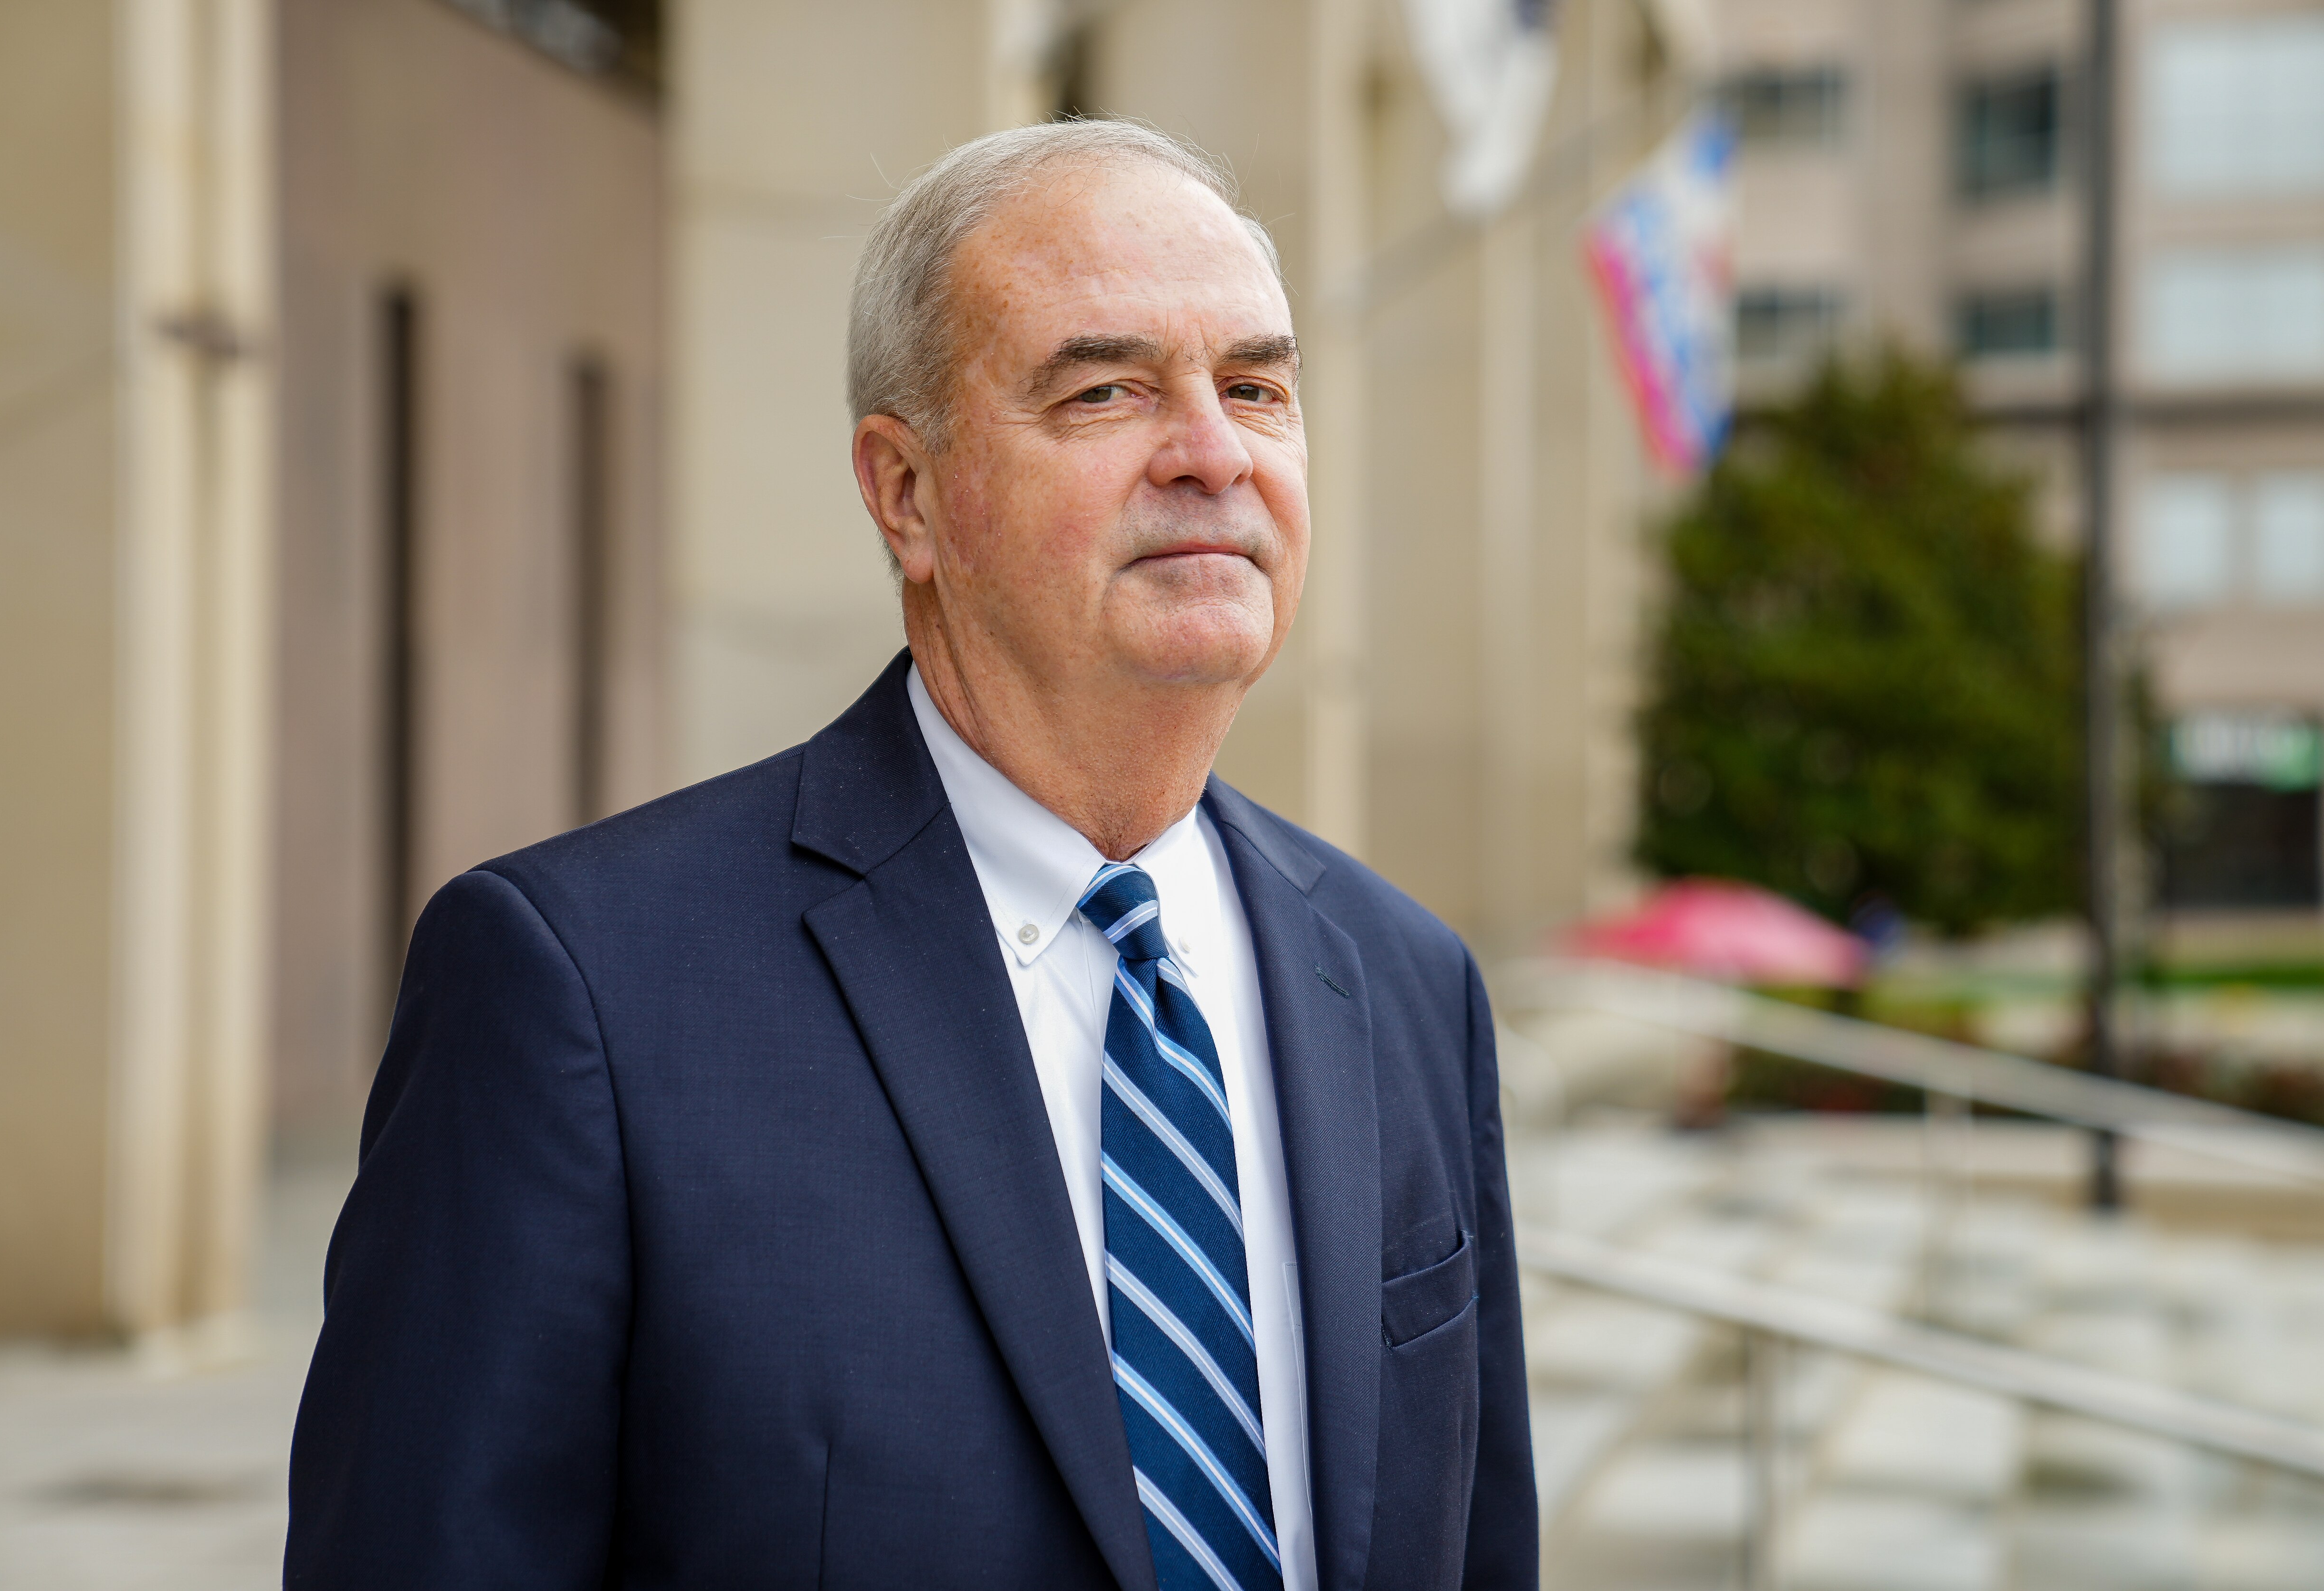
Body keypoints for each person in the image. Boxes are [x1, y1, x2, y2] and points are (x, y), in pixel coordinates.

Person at [286, 119, 1535, 1591]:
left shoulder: (1406, 982)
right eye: (1107, 389)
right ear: (907, 492)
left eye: (1256, 388)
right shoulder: (580, 994)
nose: (1212, 453)